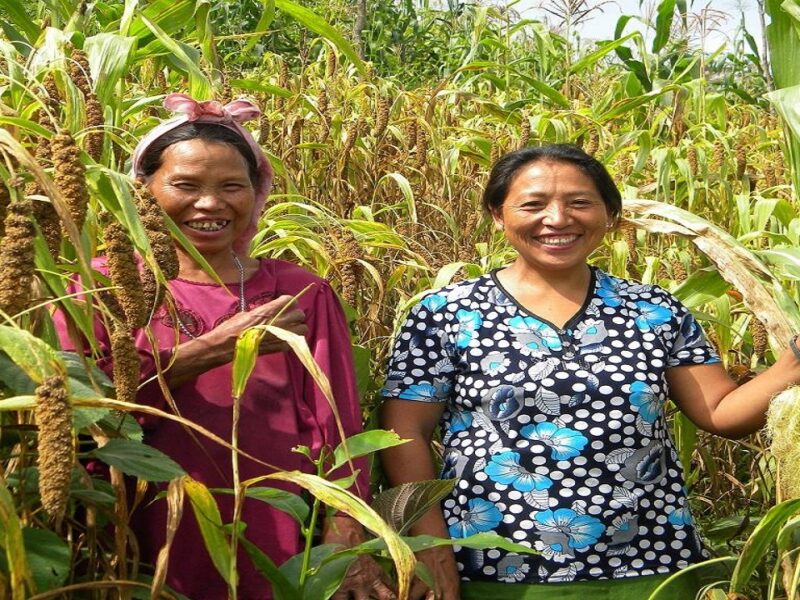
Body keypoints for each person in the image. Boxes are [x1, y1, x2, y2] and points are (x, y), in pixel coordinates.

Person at [380, 143, 800, 599]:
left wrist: (792, 364)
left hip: (651, 562)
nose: (558, 219)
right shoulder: (446, 313)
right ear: (498, 215)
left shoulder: (655, 310)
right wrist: (430, 546)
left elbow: (720, 411)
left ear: (611, 214)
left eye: (580, 203)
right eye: (533, 205)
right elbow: (406, 432)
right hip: (494, 566)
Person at [57, 94, 392, 600]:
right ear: (142, 191)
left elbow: (340, 427)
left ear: (256, 193)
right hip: (128, 529)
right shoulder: (98, 286)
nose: (210, 204)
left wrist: (343, 542)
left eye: (232, 186)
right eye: (185, 185)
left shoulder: (299, 293)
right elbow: (78, 413)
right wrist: (215, 348)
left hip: (272, 532)